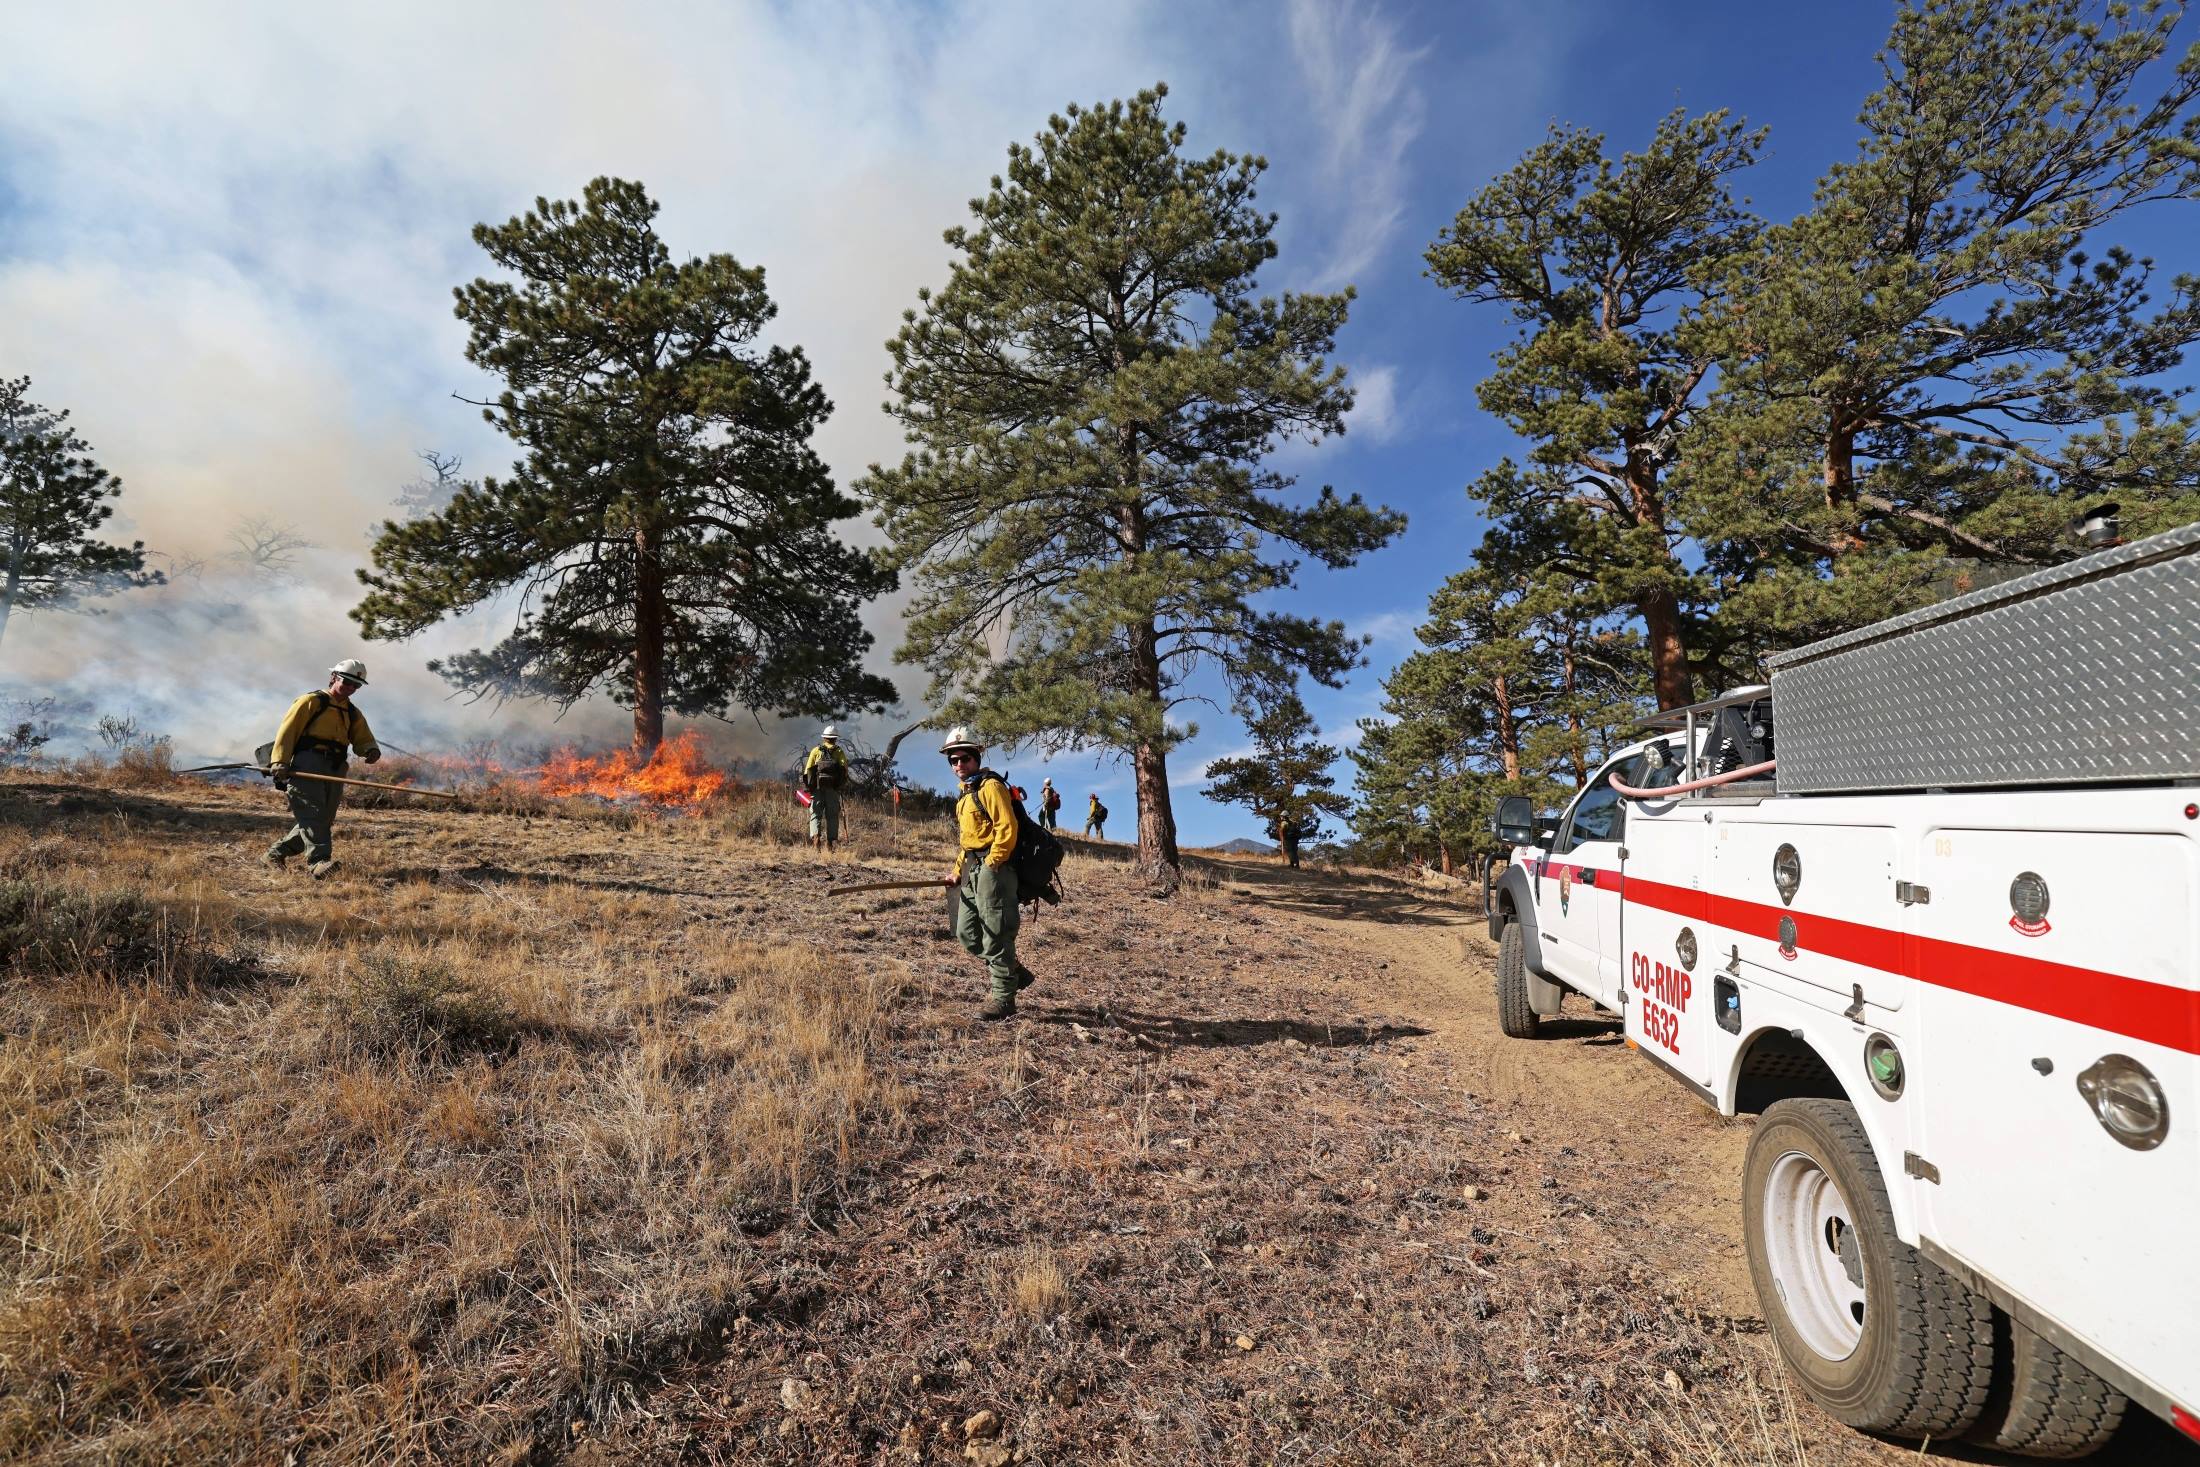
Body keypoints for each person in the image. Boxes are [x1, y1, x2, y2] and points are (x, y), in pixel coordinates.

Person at [940, 725, 1035, 1021]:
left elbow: (1007, 827)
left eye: (964, 758)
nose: (959, 764)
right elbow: (968, 842)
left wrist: (993, 863)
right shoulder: (965, 794)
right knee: (966, 933)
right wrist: (957, 872)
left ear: (976, 757)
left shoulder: (990, 787)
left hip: (995, 869)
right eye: (953, 760)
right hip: (972, 868)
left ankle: (1004, 999)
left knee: (996, 933)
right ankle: (1012, 970)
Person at [263, 659, 381, 878]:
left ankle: (276, 853)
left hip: (336, 768)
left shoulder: (352, 712)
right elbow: (287, 731)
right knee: (313, 814)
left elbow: (363, 738)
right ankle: (319, 862)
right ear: (334, 677)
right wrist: (279, 762)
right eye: (347, 682)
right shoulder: (311, 701)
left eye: (356, 685)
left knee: (323, 819)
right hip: (308, 763)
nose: (351, 688)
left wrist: (370, 750)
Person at [801, 725, 850, 851]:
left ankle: (816, 838)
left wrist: (808, 787)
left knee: (815, 814)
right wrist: (840, 784)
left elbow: (807, 771)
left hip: (817, 788)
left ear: (824, 738)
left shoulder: (816, 750)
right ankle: (830, 843)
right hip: (832, 789)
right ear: (835, 738)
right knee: (832, 816)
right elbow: (845, 769)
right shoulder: (839, 751)